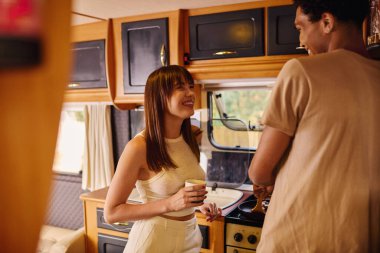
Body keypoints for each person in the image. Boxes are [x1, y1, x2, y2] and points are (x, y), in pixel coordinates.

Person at [248, 0, 380, 252]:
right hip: (361, 238)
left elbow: (259, 171)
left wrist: (270, 178)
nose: (301, 39)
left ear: (327, 22)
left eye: (301, 27)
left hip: (299, 236)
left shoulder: (300, 71)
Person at [104, 65, 221, 253]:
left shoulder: (191, 135)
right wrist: (171, 203)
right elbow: (112, 213)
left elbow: (178, 190)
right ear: (159, 97)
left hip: (190, 238)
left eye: (190, 86)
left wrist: (198, 204)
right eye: (180, 87)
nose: (190, 93)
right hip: (153, 241)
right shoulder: (138, 147)